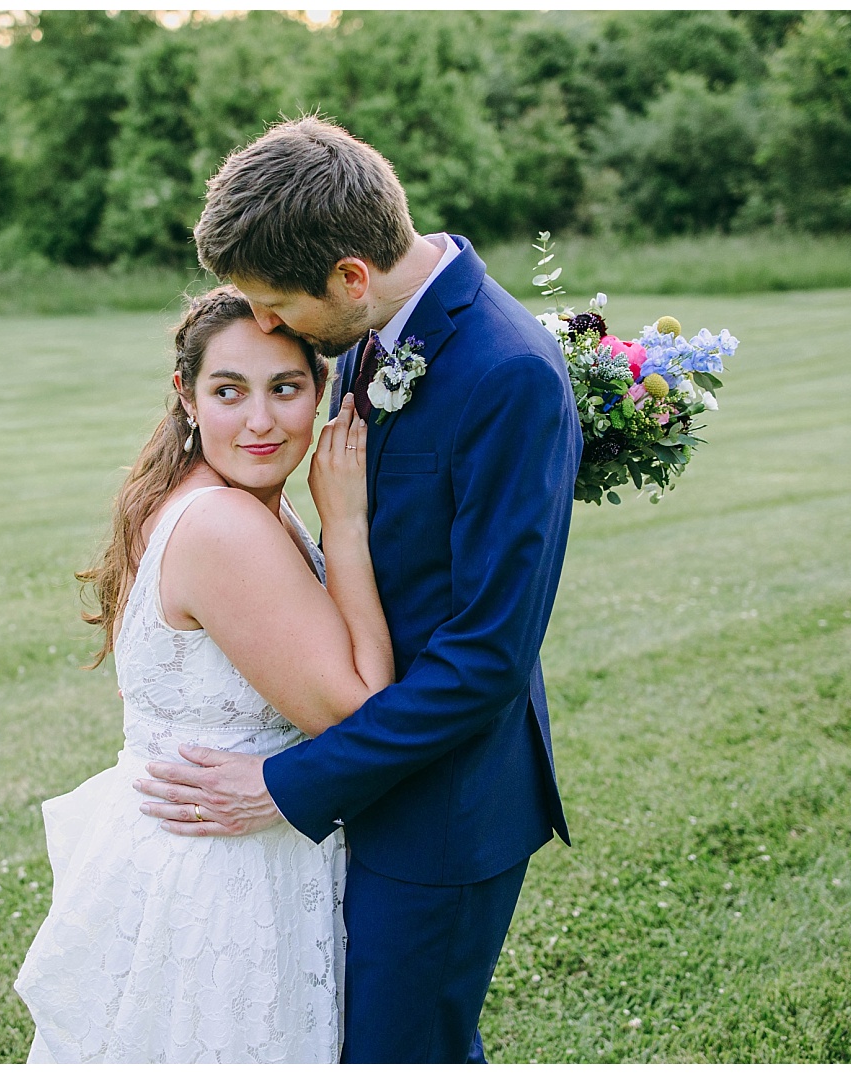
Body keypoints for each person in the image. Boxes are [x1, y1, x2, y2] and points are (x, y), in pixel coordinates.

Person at [134, 116, 582, 1062]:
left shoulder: (508, 373)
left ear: (348, 277)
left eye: (273, 305)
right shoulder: (378, 334)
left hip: (442, 815)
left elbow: (484, 661)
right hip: (368, 792)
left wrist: (285, 782)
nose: (264, 326)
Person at [13, 286, 392, 1061]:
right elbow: (363, 716)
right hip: (225, 876)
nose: (261, 420)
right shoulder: (222, 522)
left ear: (319, 393)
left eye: (285, 388)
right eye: (229, 391)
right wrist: (347, 526)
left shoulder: (211, 495)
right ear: (187, 397)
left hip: (197, 850)